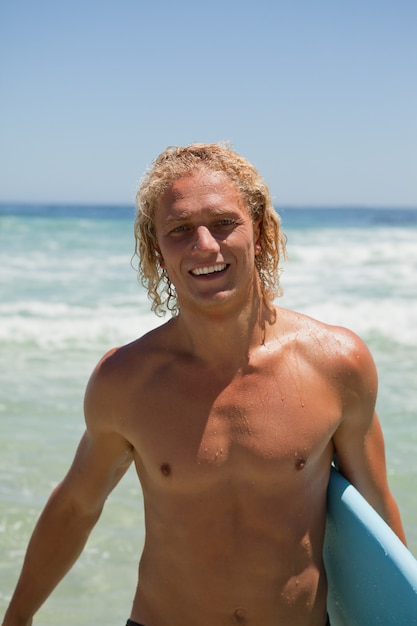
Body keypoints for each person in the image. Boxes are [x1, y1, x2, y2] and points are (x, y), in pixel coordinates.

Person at [2, 143, 406, 626]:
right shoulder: (126, 380)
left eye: (223, 223)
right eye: (178, 230)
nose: (205, 246)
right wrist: (17, 618)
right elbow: (77, 505)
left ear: (258, 231)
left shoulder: (336, 363)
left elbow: (376, 512)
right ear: (157, 250)